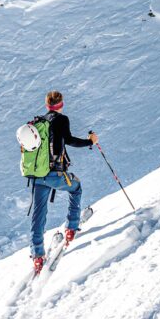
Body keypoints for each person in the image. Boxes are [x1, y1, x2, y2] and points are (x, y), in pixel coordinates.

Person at [29, 89, 98, 273]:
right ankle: (71, 227)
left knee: (39, 213)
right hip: (55, 175)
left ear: (47, 105)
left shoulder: (38, 122)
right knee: (76, 187)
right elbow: (69, 140)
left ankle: (37, 255)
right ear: (61, 104)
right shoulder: (61, 119)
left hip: (37, 176)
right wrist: (90, 141)